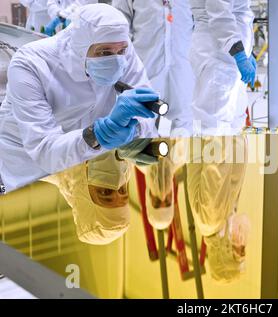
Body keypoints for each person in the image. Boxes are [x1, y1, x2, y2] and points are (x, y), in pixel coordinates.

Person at [0, 4, 159, 193]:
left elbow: (146, 109)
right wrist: (98, 134)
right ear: (79, 48)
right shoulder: (30, 64)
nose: (116, 60)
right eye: (104, 53)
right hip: (29, 162)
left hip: (87, 156)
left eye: (121, 51)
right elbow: (45, 150)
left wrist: (134, 132)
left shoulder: (120, 47)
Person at [112, 0, 194, 135]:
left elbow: (201, 21)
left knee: (184, 122)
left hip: (182, 66)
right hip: (144, 66)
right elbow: (120, 26)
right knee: (141, 122)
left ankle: (180, 153)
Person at [186, 136, 250, 283]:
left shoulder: (212, 219)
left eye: (239, 250)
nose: (242, 242)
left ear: (224, 253)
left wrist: (232, 116)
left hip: (215, 121)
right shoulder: (224, 219)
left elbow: (216, 154)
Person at [189, 0, 256, 135]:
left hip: (229, 56)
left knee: (235, 120)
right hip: (219, 55)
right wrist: (240, 54)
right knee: (212, 125)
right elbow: (219, 13)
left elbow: (240, 12)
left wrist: (248, 52)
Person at [44, 151, 132, 245]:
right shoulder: (128, 158)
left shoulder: (40, 160)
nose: (117, 182)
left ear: (83, 195)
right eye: (122, 191)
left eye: (105, 192)